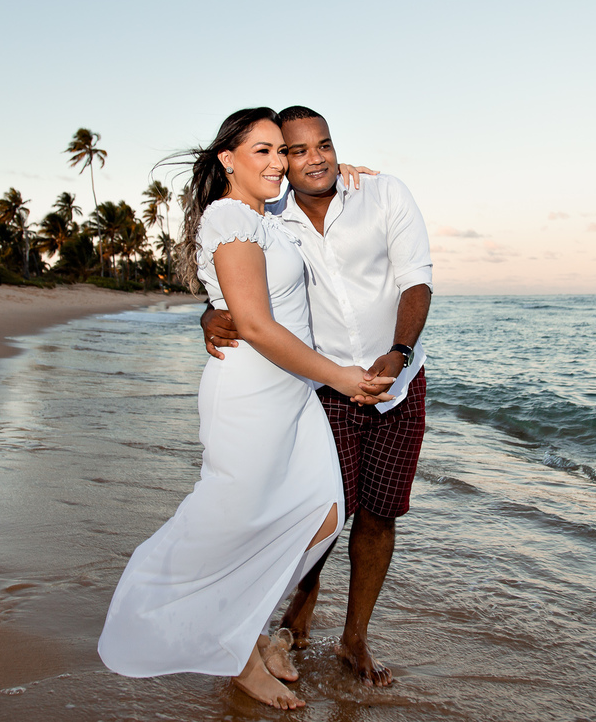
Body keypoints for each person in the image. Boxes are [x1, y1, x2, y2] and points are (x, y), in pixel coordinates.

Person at [98, 107, 393, 710]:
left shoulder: (270, 217)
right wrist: (340, 376)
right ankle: (230, 649)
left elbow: (309, 219)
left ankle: (249, 631)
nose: (278, 163)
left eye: (281, 152)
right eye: (261, 151)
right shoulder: (231, 217)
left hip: (292, 397)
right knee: (228, 520)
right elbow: (255, 325)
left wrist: (343, 174)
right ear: (227, 161)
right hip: (253, 397)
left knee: (322, 514)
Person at [202, 105, 432, 687]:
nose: (313, 158)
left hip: (397, 383)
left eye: (322, 145)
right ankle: (296, 617)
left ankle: (354, 637)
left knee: (379, 514)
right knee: (321, 510)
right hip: (322, 386)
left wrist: (399, 352)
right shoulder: (269, 208)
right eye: (294, 150)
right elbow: (239, 274)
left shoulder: (383, 194)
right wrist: (211, 312)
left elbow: (417, 280)